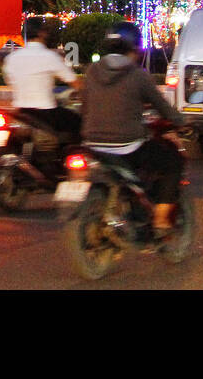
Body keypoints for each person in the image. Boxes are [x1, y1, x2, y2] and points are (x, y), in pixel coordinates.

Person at [79, 22, 187, 241]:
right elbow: (163, 107)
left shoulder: (91, 72)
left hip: (91, 143)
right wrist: (182, 121)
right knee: (173, 161)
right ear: (134, 48)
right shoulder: (139, 75)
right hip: (128, 146)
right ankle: (161, 221)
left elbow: (85, 106)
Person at [3, 17, 81, 138]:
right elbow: (74, 82)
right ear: (41, 33)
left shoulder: (11, 58)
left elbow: (10, 82)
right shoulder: (49, 56)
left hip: (21, 113)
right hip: (46, 114)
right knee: (78, 123)